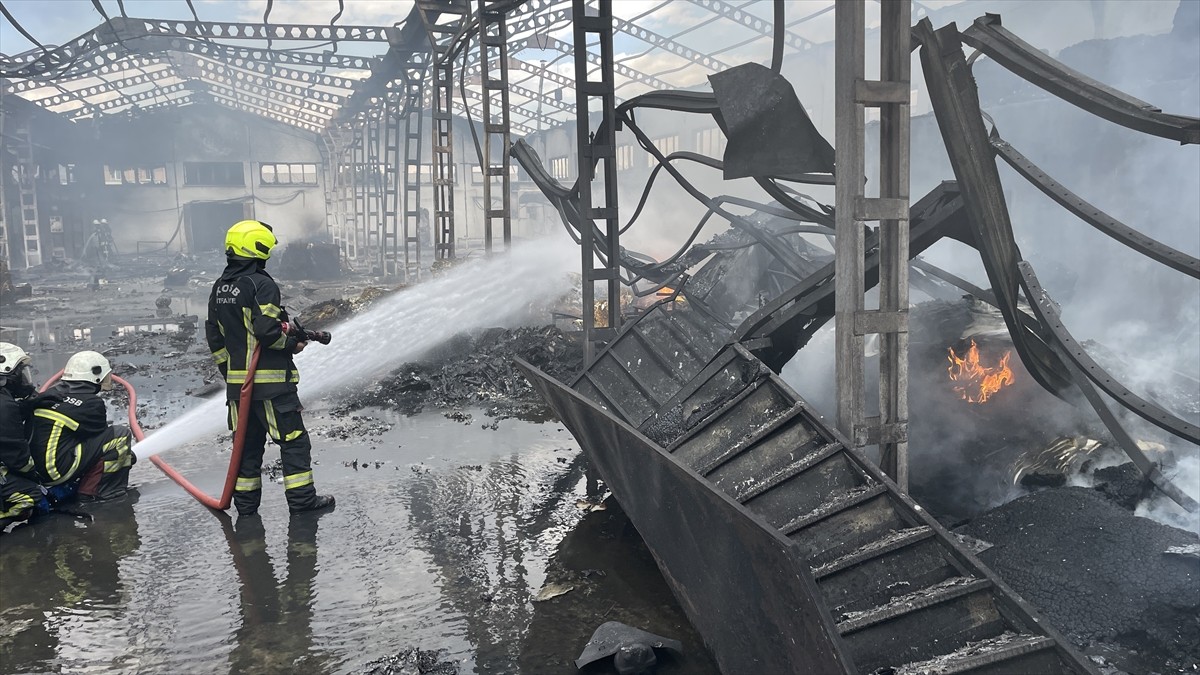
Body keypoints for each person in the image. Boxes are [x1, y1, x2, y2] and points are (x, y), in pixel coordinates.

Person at [205, 220, 334, 516]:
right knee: (294, 442)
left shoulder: (220, 288)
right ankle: (303, 502)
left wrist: (232, 375)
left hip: (239, 391)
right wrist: (293, 346)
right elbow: (266, 331)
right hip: (273, 388)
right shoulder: (260, 283)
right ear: (257, 248)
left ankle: (246, 507)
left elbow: (214, 336)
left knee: (247, 449)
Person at [30, 350, 136, 502]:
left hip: (35, 472)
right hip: (55, 472)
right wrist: (124, 456)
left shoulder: (51, 393)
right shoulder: (91, 403)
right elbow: (101, 441)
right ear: (96, 374)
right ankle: (101, 494)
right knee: (119, 436)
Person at [0, 343, 45, 530]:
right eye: (20, 372)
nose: (24, 379)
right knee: (31, 495)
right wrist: (37, 478)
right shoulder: (5, 406)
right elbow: (18, 459)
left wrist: (27, 406)